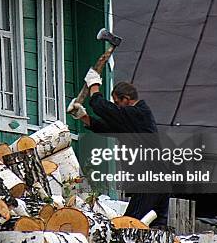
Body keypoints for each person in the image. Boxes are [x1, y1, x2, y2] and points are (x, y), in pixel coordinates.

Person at [68, 68, 170, 227]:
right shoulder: (134, 120)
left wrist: (94, 86)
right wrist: (83, 117)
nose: (116, 107)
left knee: (129, 226)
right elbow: (108, 127)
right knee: (154, 229)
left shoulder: (138, 113)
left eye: (117, 103)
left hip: (149, 183)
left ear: (126, 99)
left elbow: (103, 108)